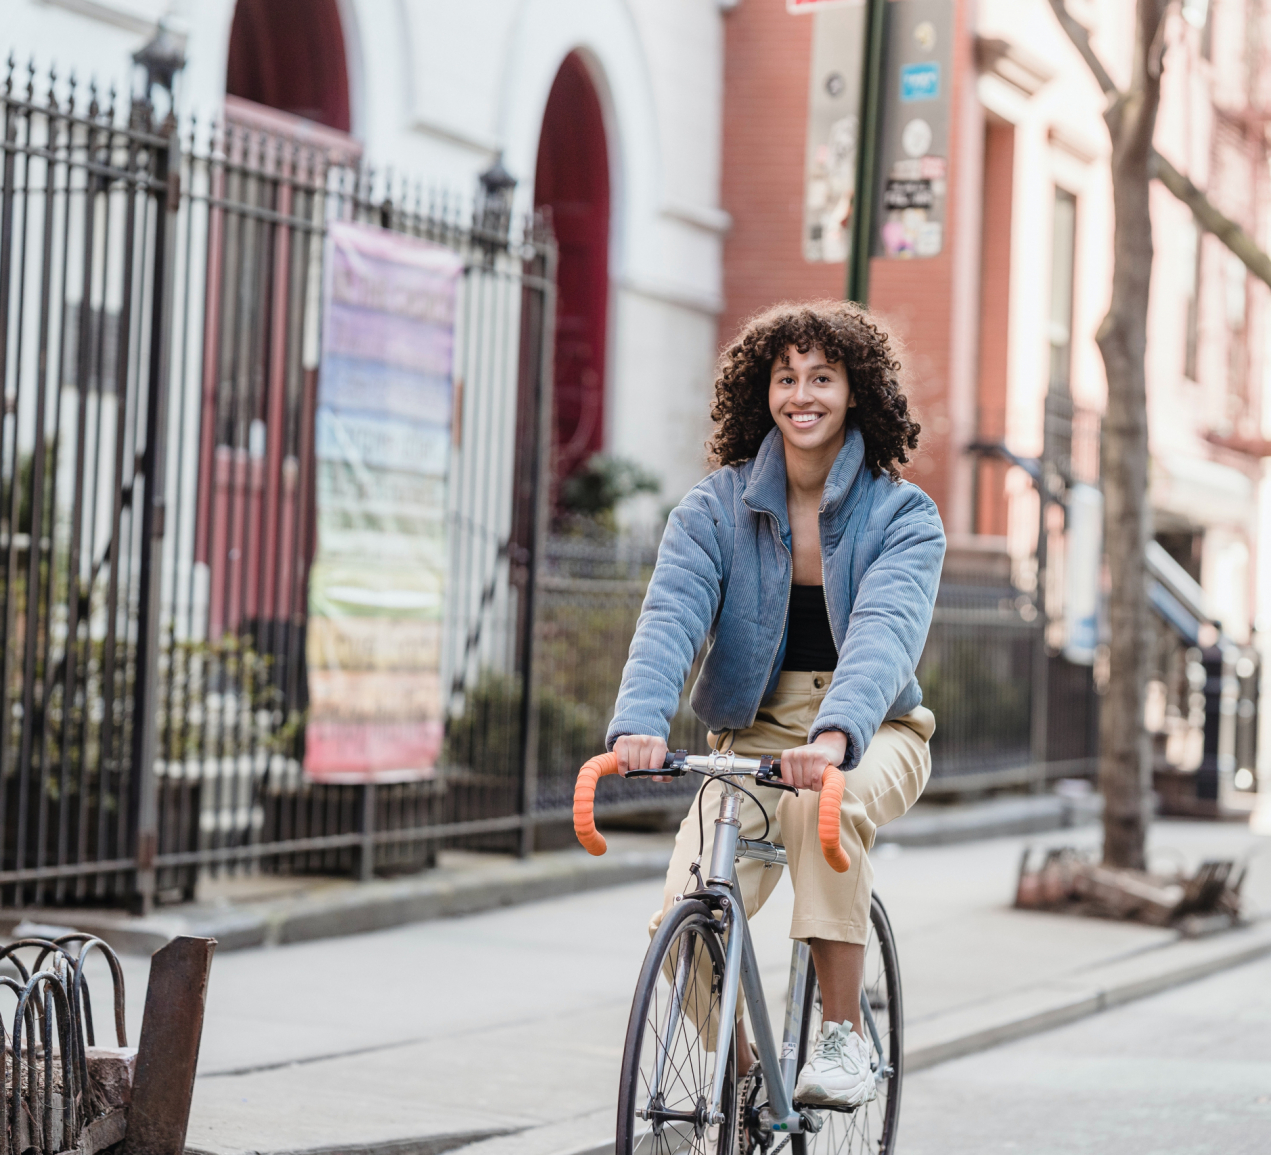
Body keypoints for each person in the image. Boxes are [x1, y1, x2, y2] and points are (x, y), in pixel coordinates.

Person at [606, 300, 944, 1109]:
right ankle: (747, 1078)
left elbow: (884, 633)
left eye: (821, 377)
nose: (802, 394)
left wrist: (833, 737)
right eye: (785, 377)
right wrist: (640, 722)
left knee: (814, 803)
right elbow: (672, 613)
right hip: (752, 733)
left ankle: (842, 1035)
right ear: (763, 391)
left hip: (872, 730)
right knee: (680, 926)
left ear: (854, 392)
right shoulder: (714, 507)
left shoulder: (902, 515)